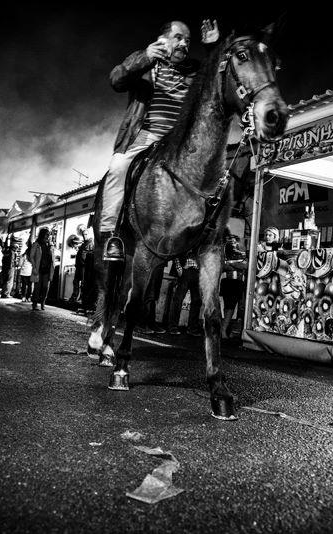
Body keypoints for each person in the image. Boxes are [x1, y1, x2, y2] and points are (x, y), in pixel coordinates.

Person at [99, 19, 220, 261]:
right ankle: (110, 234)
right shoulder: (146, 63)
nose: (184, 43)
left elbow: (219, 76)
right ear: (163, 39)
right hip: (146, 135)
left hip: (183, 144)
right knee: (117, 169)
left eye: (188, 40)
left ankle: (206, 239)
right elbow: (116, 79)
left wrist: (212, 48)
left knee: (215, 179)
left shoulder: (195, 70)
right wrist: (144, 56)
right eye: (179, 38)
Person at [168, 250, 202, 336]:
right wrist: (179, 269)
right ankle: (173, 327)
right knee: (178, 299)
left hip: (197, 272)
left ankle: (192, 328)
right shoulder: (188, 239)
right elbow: (177, 252)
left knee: (197, 301)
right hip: (185, 271)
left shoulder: (200, 242)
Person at [221, 230, 247, 339]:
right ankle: (223, 330)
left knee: (240, 307)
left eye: (234, 241)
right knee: (228, 306)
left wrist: (232, 264)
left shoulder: (242, 253)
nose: (233, 243)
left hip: (239, 282)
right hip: (228, 281)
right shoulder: (223, 252)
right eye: (230, 241)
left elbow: (245, 266)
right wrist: (236, 265)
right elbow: (222, 266)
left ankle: (230, 331)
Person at [29, 227, 56, 311]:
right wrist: (34, 266)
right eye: (47, 234)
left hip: (47, 270)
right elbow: (31, 256)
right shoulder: (36, 244)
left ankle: (43, 303)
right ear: (42, 235)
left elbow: (52, 258)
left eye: (49, 235)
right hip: (39, 269)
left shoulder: (50, 245)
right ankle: (35, 304)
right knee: (37, 288)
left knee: (45, 288)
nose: (48, 236)